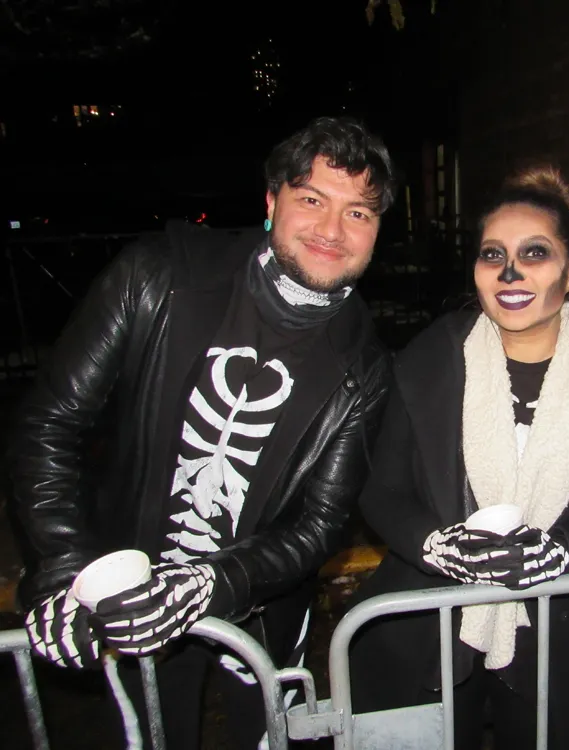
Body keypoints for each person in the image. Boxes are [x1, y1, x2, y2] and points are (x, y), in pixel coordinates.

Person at [6, 116, 395, 749]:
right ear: (271, 202)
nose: (331, 230)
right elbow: (50, 423)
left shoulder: (365, 365)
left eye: (357, 213)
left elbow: (320, 524)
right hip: (123, 590)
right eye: (311, 200)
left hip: (262, 607)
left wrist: (213, 582)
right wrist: (63, 567)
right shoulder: (158, 277)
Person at [348, 166, 569, 750]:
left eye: (534, 253)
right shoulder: (430, 359)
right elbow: (381, 492)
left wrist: (562, 554)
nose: (509, 273)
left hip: (561, 635)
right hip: (430, 626)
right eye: (493, 254)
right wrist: (434, 545)